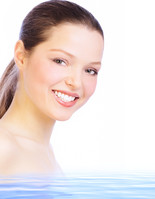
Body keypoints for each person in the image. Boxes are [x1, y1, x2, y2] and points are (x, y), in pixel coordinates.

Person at [0, 0, 104, 176]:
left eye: (90, 70)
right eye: (60, 61)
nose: (76, 82)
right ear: (21, 56)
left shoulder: (45, 152)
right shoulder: (4, 147)